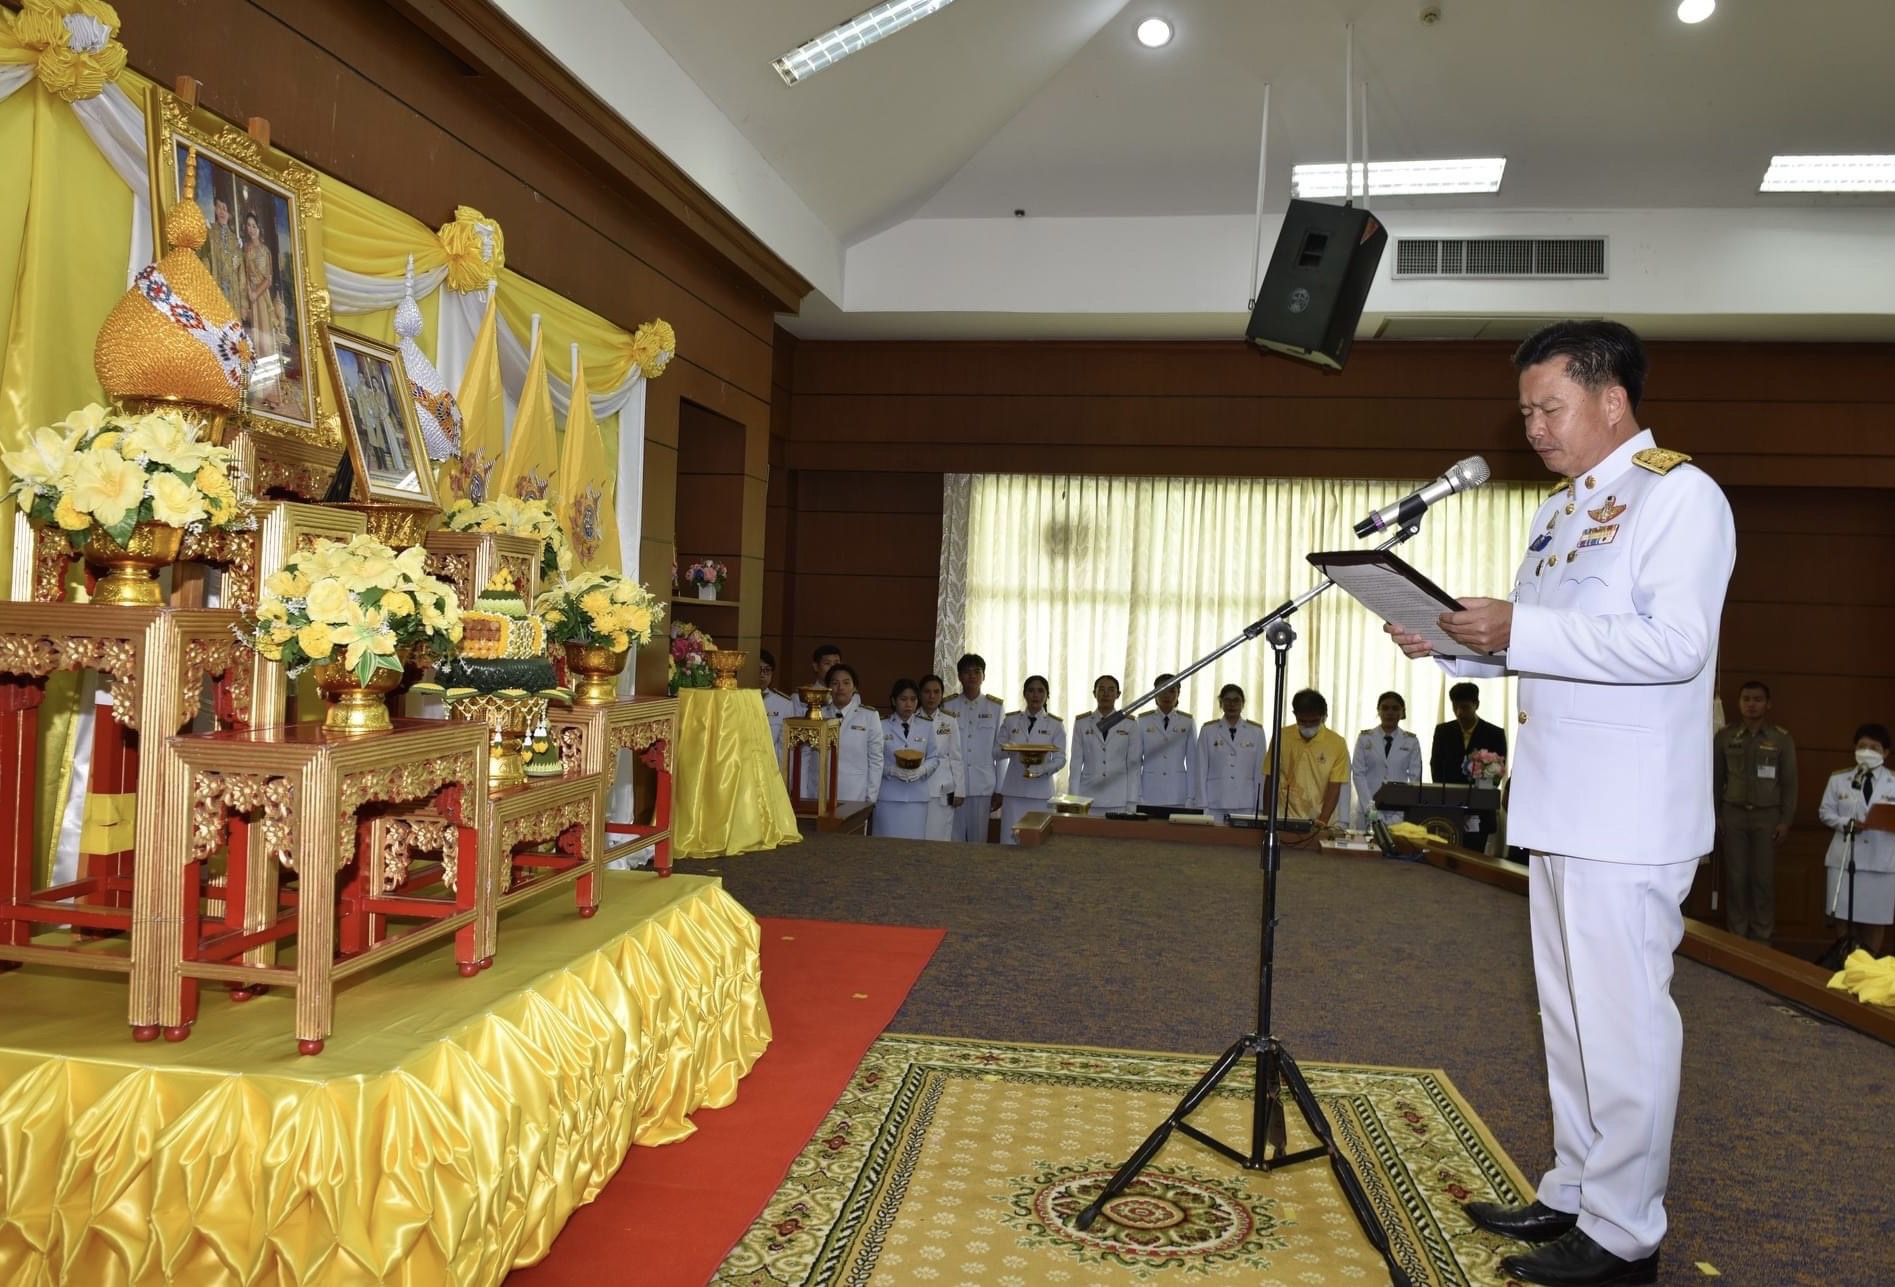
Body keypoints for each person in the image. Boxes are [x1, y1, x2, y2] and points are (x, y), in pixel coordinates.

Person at [1385, 320, 1734, 1286]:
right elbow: (1544, 647)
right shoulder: (1559, 512)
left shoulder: (1679, 496)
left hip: (1628, 814)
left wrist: (1522, 625)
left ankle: (1625, 1232)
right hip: (1560, 804)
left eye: (1549, 407)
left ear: (1610, 398)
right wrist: (1453, 643)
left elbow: (1673, 646)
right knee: (1570, 1016)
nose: (1533, 426)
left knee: (1623, 1022)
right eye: (1527, 409)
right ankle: (1575, 1187)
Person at [1711, 680, 1797, 943]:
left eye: (1757, 699)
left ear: (1768, 704)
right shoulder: (1725, 736)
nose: (1751, 704)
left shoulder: (1780, 739)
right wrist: (1715, 816)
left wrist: (1786, 821)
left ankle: (1762, 940)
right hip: (1733, 816)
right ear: (1739, 703)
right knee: (1735, 881)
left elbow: (1790, 783)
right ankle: (1736, 940)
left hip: (1767, 818)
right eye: (1746, 699)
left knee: (1763, 882)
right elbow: (1715, 779)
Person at [1817, 724, 1895, 958]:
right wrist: (1846, 823)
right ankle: (1846, 963)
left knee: (1875, 919)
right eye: (1862, 746)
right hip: (1844, 859)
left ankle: (1869, 968)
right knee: (1843, 917)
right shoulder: (1840, 779)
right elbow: (1825, 812)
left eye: (1874, 747)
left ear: (1886, 753)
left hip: (1881, 862)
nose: (1867, 751)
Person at [993, 676, 1066, 846]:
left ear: (1047, 696)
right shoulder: (1011, 720)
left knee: (1036, 841)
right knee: (1010, 839)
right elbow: (995, 753)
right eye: (1031, 690)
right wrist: (1010, 748)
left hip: (1041, 792)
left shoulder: (1055, 724)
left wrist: (1042, 769)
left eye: (1041, 691)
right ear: (1024, 694)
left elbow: (1061, 759)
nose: (1035, 695)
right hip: (1014, 790)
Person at [1266, 689, 1350, 826]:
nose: (1308, 725)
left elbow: (1334, 787)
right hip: (1284, 819)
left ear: (1323, 716)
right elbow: (1270, 779)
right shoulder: (1281, 737)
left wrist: (1322, 821)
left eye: (1314, 721)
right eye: (1302, 720)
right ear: (1295, 714)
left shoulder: (1337, 743)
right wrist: (1267, 818)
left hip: (1320, 819)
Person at [942, 653, 1003, 842]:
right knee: (954, 837)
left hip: (983, 784)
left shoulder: (995, 707)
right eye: (967, 672)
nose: (972, 676)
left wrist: (999, 788)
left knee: (979, 839)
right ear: (959, 676)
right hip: (954, 783)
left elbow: (1000, 752)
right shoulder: (948, 704)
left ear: (984, 676)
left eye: (977, 671)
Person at [876, 679, 944, 839]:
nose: (908, 704)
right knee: (885, 846)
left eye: (913, 699)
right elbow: (874, 758)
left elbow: (934, 757)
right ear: (893, 700)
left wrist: (922, 770)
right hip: (888, 795)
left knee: (913, 846)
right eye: (903, 699)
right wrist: (891, 770)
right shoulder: (881, 724)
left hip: (917, 796)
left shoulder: (926, 725)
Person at [1351, 691, 1423, 828]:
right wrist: (1371, 810)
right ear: (1378, 711)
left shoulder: (1411, 741)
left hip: (1399, 810)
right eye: (1385, 708)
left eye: (1395, 708)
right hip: (1368, 808)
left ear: (1402, 712)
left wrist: (1399, 815)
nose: (1390, 712)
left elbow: (1415, 779)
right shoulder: (1365, 738)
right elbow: (1358, 774)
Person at [1195, 684, 1266, 823]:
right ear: (1220, 703)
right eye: (1227, 700)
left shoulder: (1256, 731)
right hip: (1215, 801)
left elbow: (1260, 771)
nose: (1231, 704)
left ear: (1243, 704)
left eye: (1236, 700)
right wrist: (1201, 803)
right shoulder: (1208, 730)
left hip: (1245, 801)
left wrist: (1260, 804)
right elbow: (1200, 768)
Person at [1072, 674, 1141, 816]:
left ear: (1118, 694)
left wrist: (1132, 801)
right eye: (1101, 689)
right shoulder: (1082, 723)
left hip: (1118, 797)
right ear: (1094, 693)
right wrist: (1073, 798)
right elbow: (1076, 763)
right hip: (1088, 796)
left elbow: (1134, 765)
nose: (1106, 694)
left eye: (1111, 690)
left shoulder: (1130, 723)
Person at [825, 663, 884, 808]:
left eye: (846, 683)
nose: (840, 688)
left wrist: (870, 798)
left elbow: (876, 759)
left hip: (855, 794)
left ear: (855, 687)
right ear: (828, 688)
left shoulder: (869, 716)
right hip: (821, 792)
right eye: (835, 683)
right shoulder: (818, 715)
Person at [1137, 674, 1197, 816]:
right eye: (1162, 690)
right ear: (1154, 694)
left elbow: (1193, 762)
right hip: (1149, 791)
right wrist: (1137, 795)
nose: (1167, 695)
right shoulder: (1142, 721)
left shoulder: (1187, 721)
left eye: (1172, 691)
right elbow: (1136, 762)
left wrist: (1191, 796)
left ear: (1178, 694)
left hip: (1177, 792)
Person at [1430, 681, 1509, 784]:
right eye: (1455, 707)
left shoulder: (1494, 734)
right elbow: (1436, 767)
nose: (1459, 713)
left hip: (1480, 795)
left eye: (1464, 707)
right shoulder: (1443, 731)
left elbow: (1498, 771)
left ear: (1476, 705)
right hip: (1447, 794)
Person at [917, 674, 963, 841]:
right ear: (920, 694)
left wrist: (959, 790)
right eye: (927, 692)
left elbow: (956, 757)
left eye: (936, 692)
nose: (932, 696)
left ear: (941, 695)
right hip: (918, 785)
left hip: (943, 788)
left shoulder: (949, 721)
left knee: (940, 834)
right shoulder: (912, 718)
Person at [758, 650, 797, 764]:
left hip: (769, 766)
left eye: (767, 670)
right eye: (758, 669)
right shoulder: (737, 699)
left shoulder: (784, 704)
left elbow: (784, 746)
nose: (762, 675)